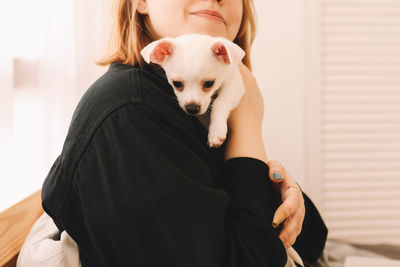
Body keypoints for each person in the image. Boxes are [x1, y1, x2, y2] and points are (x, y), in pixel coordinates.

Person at [18, 0, 328, 266]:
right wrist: (247, 126)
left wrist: (278, 189)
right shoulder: (130, 115)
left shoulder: (191, 111)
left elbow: (313, 240)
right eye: (181, 84)